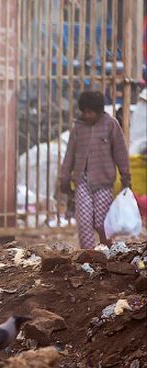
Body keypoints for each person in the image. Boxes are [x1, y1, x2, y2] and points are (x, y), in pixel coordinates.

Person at [60, 91, 130, 249]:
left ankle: (107, 250)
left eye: (90, 112)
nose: (87, 115)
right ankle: (88, 257)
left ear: (99, 112)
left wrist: (126, 177)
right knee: (84, 221)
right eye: (84, 111)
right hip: (82, 181)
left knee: (101, 222)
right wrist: (64, 179)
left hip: (103, 182)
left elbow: (120, 152)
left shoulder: (111, 125)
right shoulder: (78, 128)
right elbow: (69, 154)